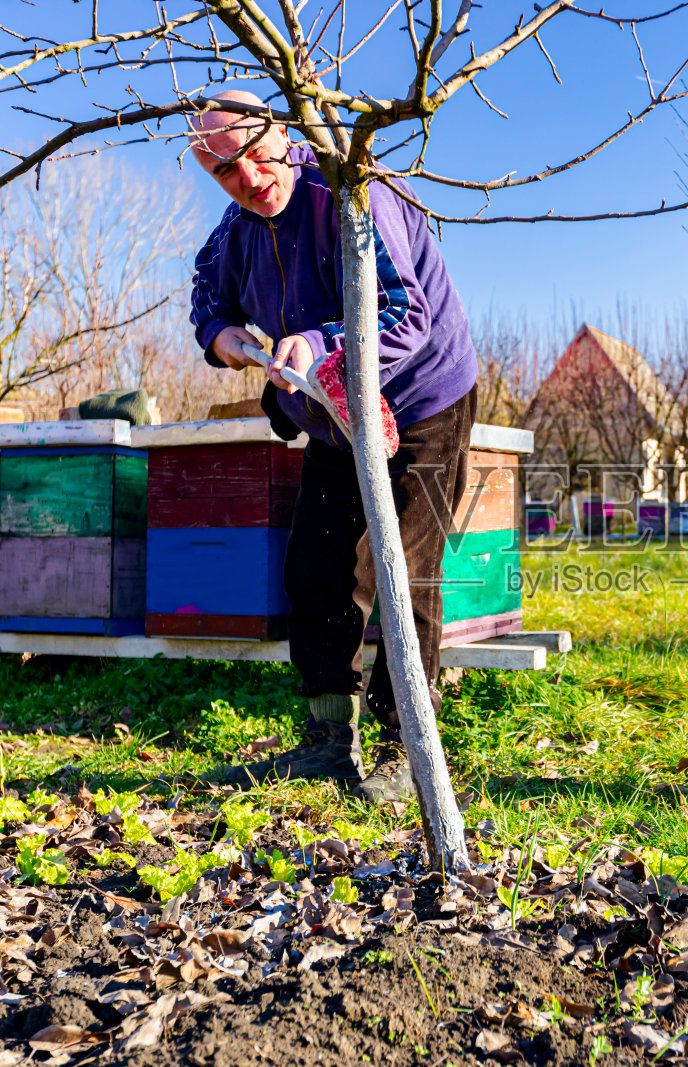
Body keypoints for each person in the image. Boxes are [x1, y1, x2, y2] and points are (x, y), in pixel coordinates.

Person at [188, 90, 478, 802]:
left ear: (283, 132)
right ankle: (329, 738)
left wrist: (317, 342)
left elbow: (403, 317)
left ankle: (408, 749)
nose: (250, 178)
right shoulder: (235, 232)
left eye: (256, 154)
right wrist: (219, 340)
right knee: (317, 565)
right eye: (225, 171)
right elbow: (206, 292)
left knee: (405, 571)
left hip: (422, 398)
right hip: (330, 413)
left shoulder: (356, 193)